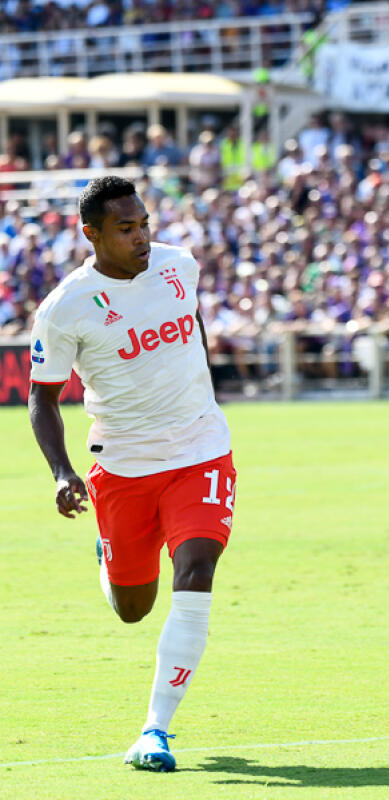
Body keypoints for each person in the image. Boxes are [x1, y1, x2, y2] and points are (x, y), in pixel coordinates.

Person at [28, 176, 236, 772]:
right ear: (91, 234)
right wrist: (62, 472)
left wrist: (193, 400)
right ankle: (109, 556)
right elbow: (43, 399)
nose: (142, 236)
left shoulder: (179, 266)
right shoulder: (64, 308)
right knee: (132, 608)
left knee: (196, 570)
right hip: (122, 465)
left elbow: (189, 328)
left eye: (145, 223)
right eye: (126, 228)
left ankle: (155, 730)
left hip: (201, 451)